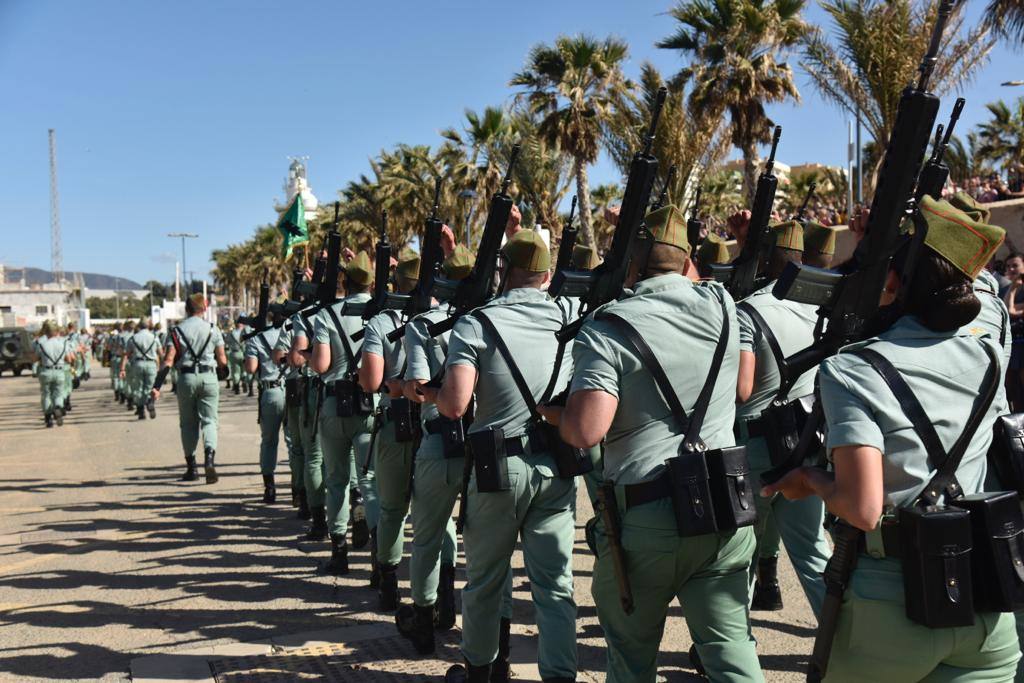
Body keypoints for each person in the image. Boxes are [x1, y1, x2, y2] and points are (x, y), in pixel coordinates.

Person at [765, 196, 1020, 681]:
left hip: (891, 599)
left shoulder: (854, 368)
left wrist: (811, 480)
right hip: (984, 594)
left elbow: (862, 508)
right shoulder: (989, 356)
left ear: (894, 282)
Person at [559, 205, 763, 683]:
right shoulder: (726, 307)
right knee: (732, 652)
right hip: (724, 507)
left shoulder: (608, 327)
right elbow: (741, 390)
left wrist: (562, 418)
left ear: (632, 259)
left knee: (631, 661)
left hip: (648, 521)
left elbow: (586, 431)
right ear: (686, 257)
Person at [429, 230, 578, 683]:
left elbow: (455, 405)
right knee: (555, 586)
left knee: (487, 581)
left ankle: (480, 671)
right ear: (548, 275)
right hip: (556, 464)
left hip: (498, 467)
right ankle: (559, 675)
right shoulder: (569, 319)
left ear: (503, 273)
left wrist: (432, 394)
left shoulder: (476, 324)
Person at [397, 244, 496, 657]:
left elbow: (418, 389)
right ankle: (466, 621)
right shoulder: (493, 322)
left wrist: (410, 387)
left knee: (429, 536)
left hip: (440, 441)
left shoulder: (424, 324)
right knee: (487, 548)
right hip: (487, 445)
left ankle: (424, 616)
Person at [734, 221, 830, 616]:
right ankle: (839, 641)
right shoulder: (819, 311)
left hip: (756, 445)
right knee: (812, 553)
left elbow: (741, 390)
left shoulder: (748, 311)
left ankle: (736, 645)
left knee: (740, 555)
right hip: (808, 439)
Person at [358, 250, 422, 610]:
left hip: (396, 421)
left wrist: (390, 386)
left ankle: (388, 582)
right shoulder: (445, 317)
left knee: (393, 507)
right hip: (437, 423)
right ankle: (441, 594)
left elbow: (370, 381)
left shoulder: (382, 323)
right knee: (436, 514)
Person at [310, 251, 377, 575]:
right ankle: (380, 554)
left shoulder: (327, 315)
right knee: (370, 479)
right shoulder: (380, 313)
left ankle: (339, 550)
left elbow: (321, 365)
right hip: (369, 405)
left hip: (335, 405)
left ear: (344, 282)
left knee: (336, 480)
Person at [152, 293, 228, 483]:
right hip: (208, 376)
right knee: (210, 421)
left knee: (188, 423)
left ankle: (191, 467)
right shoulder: (212, 329)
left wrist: (157, 386)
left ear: (187, 309)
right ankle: (209, 459)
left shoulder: (177, 331)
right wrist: (223, 374)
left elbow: (168, 360)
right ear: (204, 308)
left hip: (186, 378)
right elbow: (222, 360)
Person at [286, 300, 328, 541]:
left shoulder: (309, 315)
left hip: (317, 391)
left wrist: (302, 352)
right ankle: (356, 503)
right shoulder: (368, 307)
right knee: (353, 463)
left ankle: (319, 521)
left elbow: (298, 359)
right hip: (360, 392)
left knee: (314, 457)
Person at [245, 309, 287, 504]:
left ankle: (269, 488)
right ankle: (298, 492)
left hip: (270, 392)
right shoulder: (294, 332)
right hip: (293, 390)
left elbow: (251, 368)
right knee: (295, 443)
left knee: (269, 441)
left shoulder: (257, 339)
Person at [34, 320, 74, 428]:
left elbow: (35, 359)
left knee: (46, 394)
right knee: (58, 393)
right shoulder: (63, 344)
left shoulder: (41, 344)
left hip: (45, 371)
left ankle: (48, 419)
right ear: (56, 332)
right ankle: (58, 406)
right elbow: (69, 359)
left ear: (46, 332)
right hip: (59, 371)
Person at [120, 317, 161, 420]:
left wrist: (122, 369)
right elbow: (160, 353)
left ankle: (140, 410)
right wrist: (160, 367)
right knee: (150, 387)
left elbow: (126, 355)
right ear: (148, 326)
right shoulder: (154, 337)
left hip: (137, 364)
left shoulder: (133, 338)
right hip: (151, 364)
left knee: (138, 388)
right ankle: (149, 402)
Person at [226, 320, 248, 395]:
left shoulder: (230, 333)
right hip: (243, 353)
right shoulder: (244, 332)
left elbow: (227, 342)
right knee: (244, 370)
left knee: (235, 372)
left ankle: (237, 388)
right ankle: (244, 382)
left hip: (234, 353)